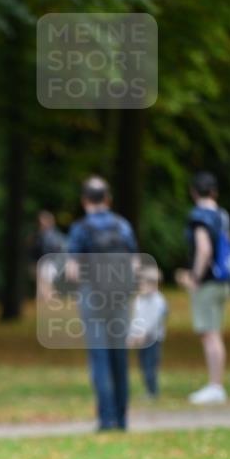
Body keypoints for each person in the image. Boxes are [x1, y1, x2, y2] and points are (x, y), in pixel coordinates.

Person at [65, 176, 138, 431]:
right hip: (119, 298)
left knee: (99, 358)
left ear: (84, 200)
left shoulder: (80, 229)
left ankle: (105, 420)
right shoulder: (123, 226)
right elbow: (134, 263)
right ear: (108, 199)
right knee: (120, 357)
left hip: (93, 298)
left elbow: (73, 271)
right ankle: (122, 419)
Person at [175, 171, 229, 404]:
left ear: (194, 192)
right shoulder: (222, 215)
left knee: (210, 334)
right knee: (215, 332)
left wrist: (195, 277)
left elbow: (204, 249)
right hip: (224, 280)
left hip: (208, 281)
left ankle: (215, 386)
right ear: (214, 192)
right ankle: (216, 384)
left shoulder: (199, 216)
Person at [127, 266, 168, 398]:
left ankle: (153, 391)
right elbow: (136, 318)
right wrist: (132, 335)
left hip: (153, 339)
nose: (142, 287)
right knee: (143, 365)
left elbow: (154, 320)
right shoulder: (139, 300)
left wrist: (145, 333)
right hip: (140, 339)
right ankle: (148, 390)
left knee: (150, 366)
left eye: (145, 284)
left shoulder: (159, 301)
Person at [30, 210, 67, 301]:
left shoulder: (55, 236)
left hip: (50, 262)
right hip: (40, 263)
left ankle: (51, 301)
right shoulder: (39, 235)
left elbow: (61, 251)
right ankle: (46, 302)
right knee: (42, 284)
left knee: (44, 282)